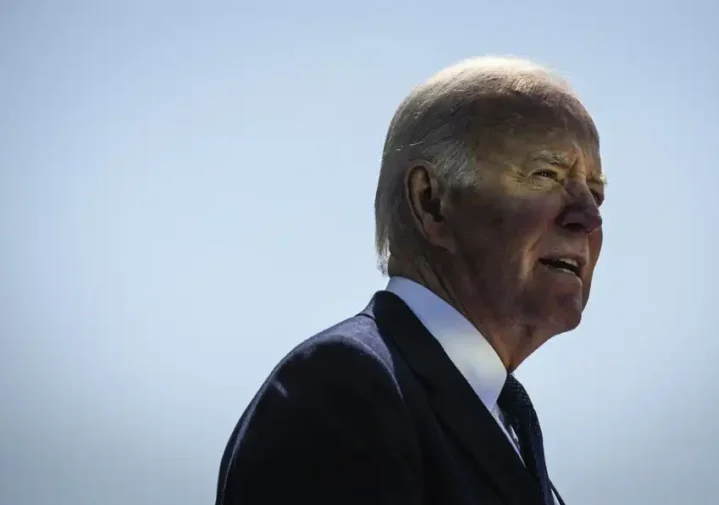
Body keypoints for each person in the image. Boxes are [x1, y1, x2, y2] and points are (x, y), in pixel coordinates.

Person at [214, 56, 606, 505]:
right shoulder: (346, 389)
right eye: (546, 175)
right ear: (431, 201)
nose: (588, 217)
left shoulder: (499, 420)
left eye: (596, 193)